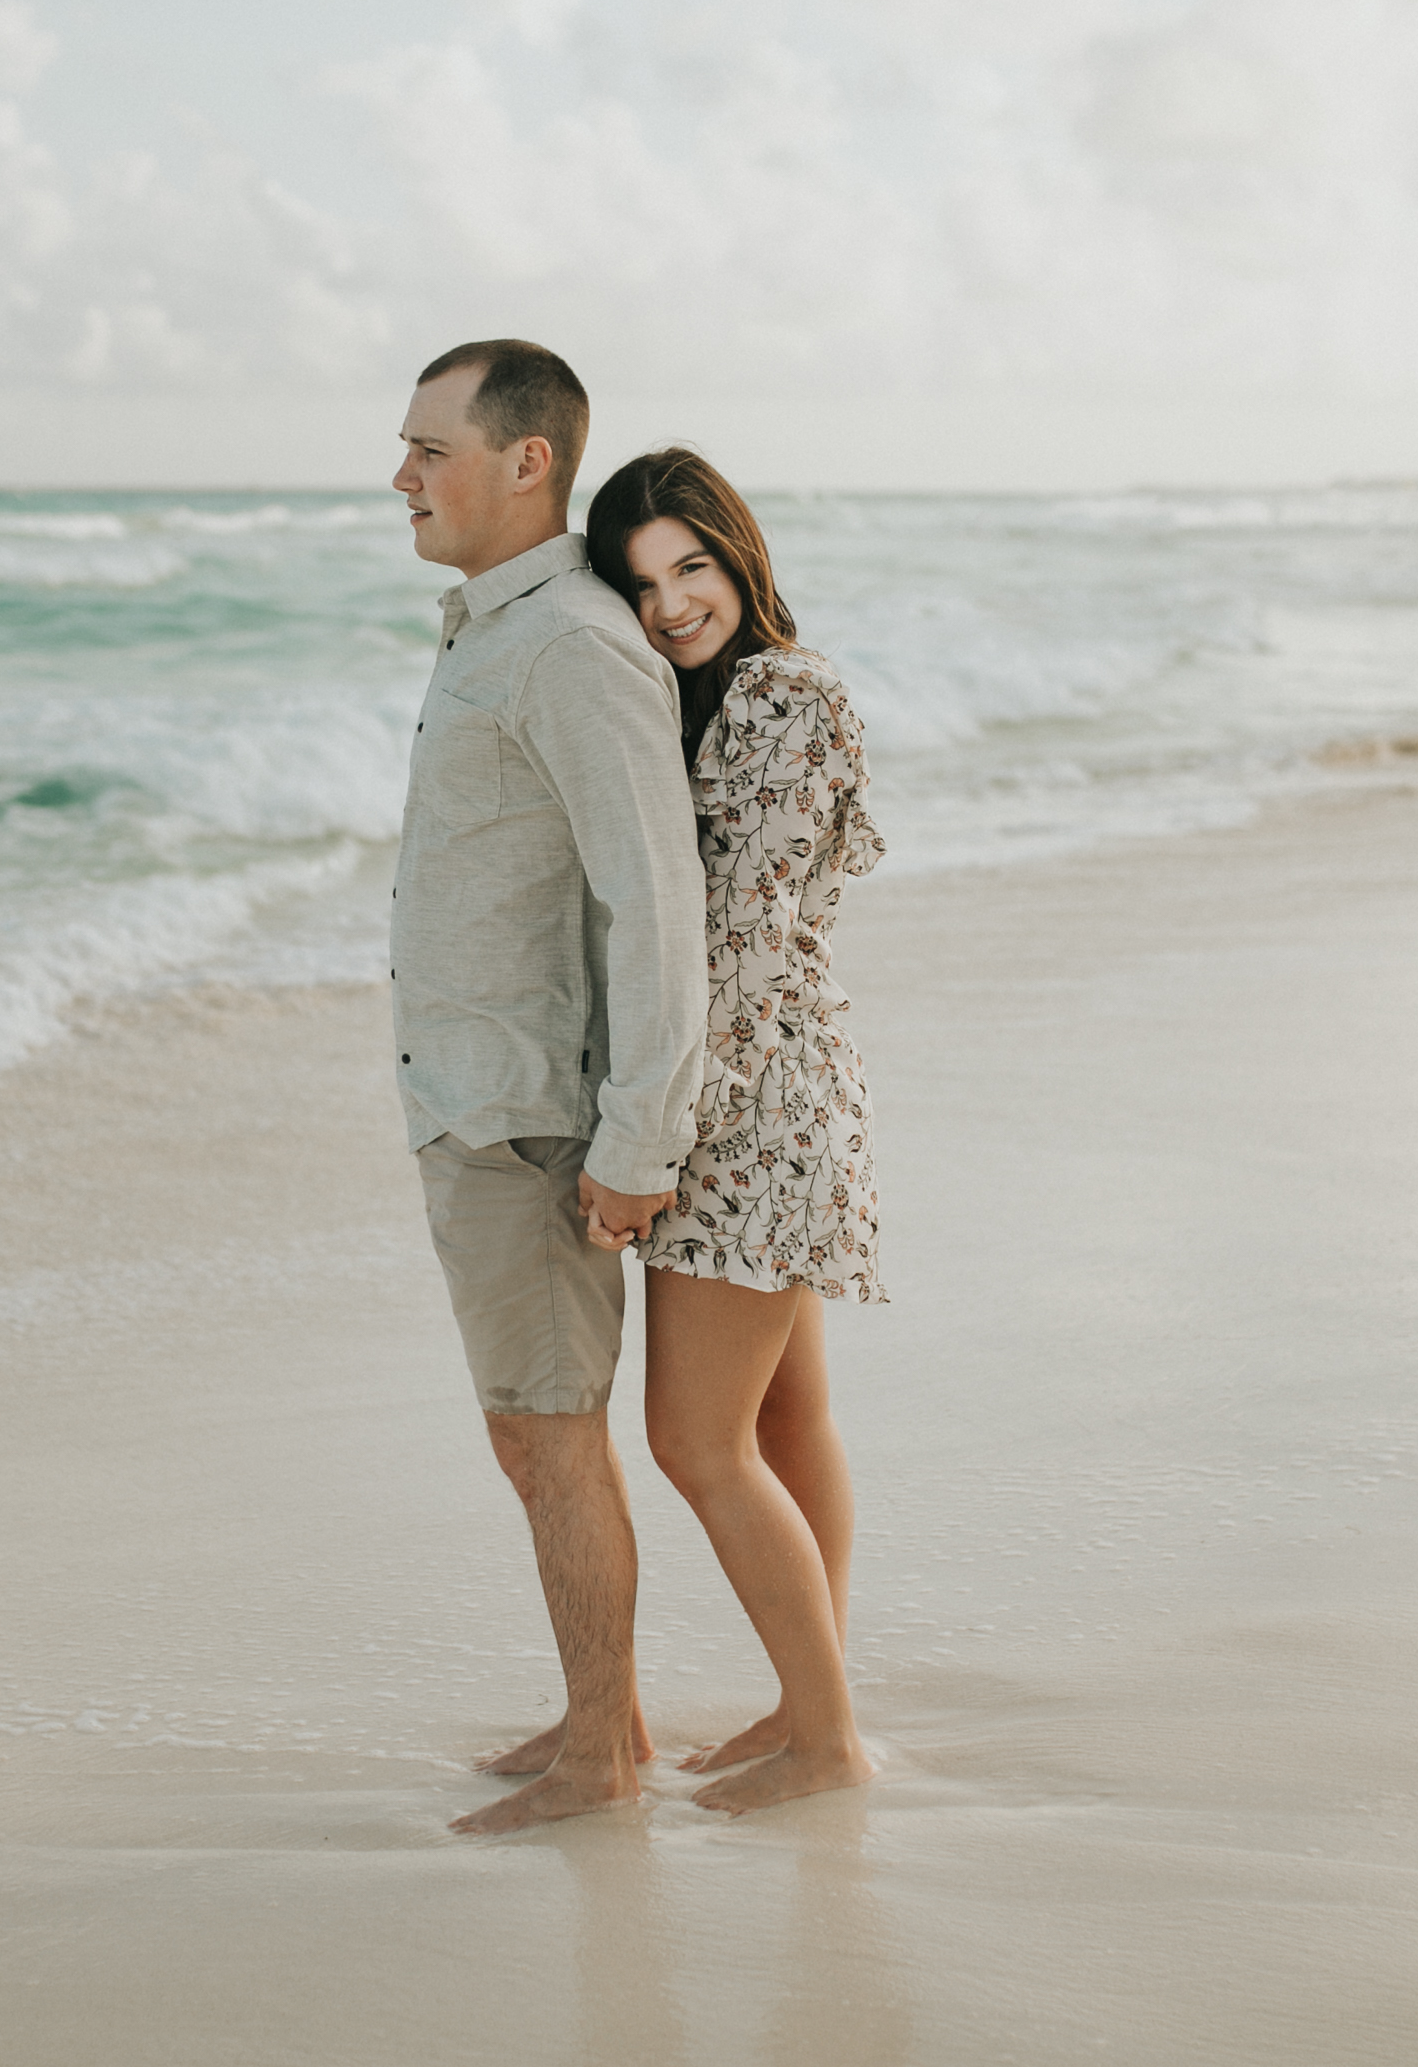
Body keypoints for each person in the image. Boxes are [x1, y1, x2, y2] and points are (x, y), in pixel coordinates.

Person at [386, 339, 707, 1837]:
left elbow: (655, 900)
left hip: (527, 1114)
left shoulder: (569, 644)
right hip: (470, 1094)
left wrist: (642, 1135)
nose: (402, 479)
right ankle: (609, 1715)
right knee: (530, 1430)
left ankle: (604, 1763)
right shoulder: (494, 629)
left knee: (552, 1429)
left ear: (530, 463)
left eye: (429, 450)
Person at [582, 446, 888, 1816]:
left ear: (737, 554)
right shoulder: (718, 701)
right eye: (640, 584)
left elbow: (738, 940)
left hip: (750, 1104)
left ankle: (828, 1744)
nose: (670, 605)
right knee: (786, 1413)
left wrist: (648, 1146)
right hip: (781, 1090)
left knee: (698, 1443)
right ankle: (809, 1703)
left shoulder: (779, 692)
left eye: (691, 567)